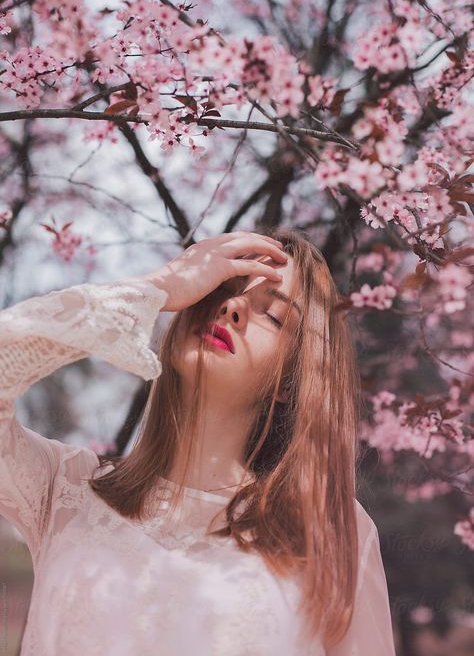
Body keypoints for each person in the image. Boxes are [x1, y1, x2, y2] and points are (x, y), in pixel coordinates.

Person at [0, 228, 396, 655]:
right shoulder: (63, 488)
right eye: (218, 288)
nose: (232, 307)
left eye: (274, 316)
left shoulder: (327, 527)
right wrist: (157, 287)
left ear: (290, 381)